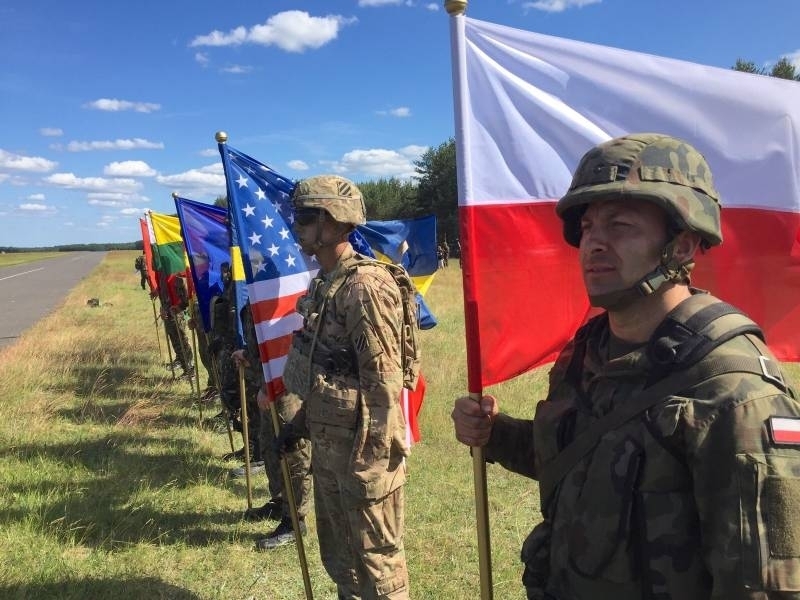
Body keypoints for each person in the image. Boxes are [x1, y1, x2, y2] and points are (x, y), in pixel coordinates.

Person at [451, 133, 800, 600]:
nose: (593, 243)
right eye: (589, 227)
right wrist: (495, 434)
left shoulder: (733, 392)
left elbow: (766, 586)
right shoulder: (588, 352)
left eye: (619, 226)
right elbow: (579, 462)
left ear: (682, 247)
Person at [278, 175, 411, 598]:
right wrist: (297, 423)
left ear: (334, 222)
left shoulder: (365, 287)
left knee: (377, 564)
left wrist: (371, 468)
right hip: (331, 448)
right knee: (342, 560)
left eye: (305, 217)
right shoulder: (326, 282)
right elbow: (325, 366)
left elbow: (384, 384)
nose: (296, 226)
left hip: (362, 456)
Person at [232, 302, 312, 548]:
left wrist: (272, 386)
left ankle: (295, 521)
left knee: (293, 453)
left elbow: (287, 338)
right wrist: (250, 357)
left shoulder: (283, 290)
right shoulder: (259, 287)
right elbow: (264, 336)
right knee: (270, 445)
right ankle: (280, 501)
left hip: (285, 384)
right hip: (267, 380)